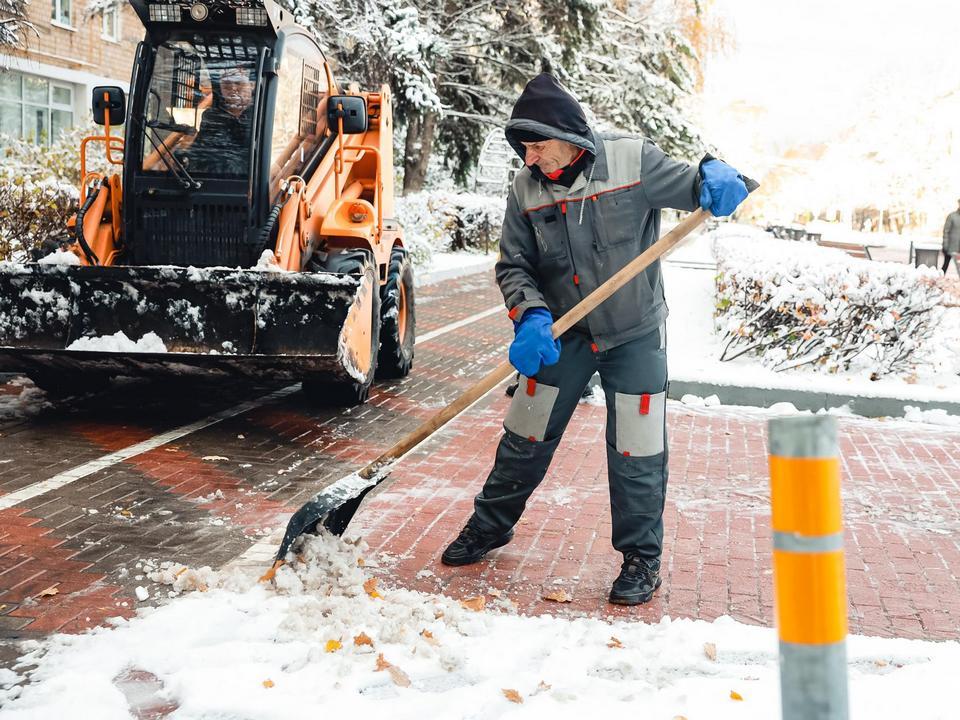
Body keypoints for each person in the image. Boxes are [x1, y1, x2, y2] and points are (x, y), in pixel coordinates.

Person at [441, 73, 750, 606]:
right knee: (525, 435)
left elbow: (696, 185)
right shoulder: (526, 188)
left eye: (538, 146)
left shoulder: (632, 161)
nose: (531, 159)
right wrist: (529, 315)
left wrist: (715, 174)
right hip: (563, 333)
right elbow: (514, 266)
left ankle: (641, 559)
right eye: (525, 149)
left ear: (569, 135)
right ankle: (491, 525)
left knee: (638, 448)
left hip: (635, 334)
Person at [185, 65, 255, 175]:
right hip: (213, 180)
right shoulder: (212, 116)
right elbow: (200, 151)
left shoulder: (260, 115)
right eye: (226, 85)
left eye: (238, 83)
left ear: (252, 85)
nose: (233, 89)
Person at [943, 199, 960, 274]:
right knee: (945, 266)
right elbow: (946, 231)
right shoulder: (952, 216)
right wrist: (945, 245)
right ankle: (939, 281)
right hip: (951, 247)